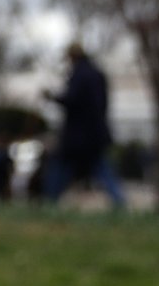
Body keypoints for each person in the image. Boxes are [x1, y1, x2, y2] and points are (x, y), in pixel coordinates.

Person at [42, 42, 125, 208]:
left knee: (61, 167)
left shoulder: (79, 75)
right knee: (102, 168)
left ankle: (49, 201)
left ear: (72, 56)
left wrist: (52, 97)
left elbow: (73, 100)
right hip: (96, 133)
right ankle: (119, 201)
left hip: (78, 135)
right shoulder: (98, 74)